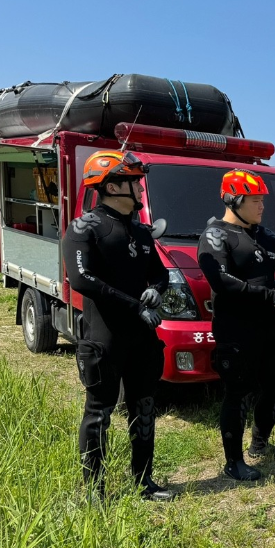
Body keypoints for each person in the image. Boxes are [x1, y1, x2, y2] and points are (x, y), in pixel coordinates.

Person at [62, 150, 173, 501]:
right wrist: (134, 305)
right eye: (134, 182)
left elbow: (159, 272)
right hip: (104, 339)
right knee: (99, 414)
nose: (141, 188)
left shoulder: (139, 231)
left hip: (142, 339)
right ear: (112, 186)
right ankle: (95, 492)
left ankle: (144, 482)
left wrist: (155, 291)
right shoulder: (84, 228)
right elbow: (82, 279)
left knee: (144, 409)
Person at [197, 169, 275, 482]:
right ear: (235, 199)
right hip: (236, 327)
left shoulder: (265, 235)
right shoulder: (215, 235)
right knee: (239, 392)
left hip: (269, 327)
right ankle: (234, 462)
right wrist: (271, 296)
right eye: (255, 200)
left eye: (262, 200)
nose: (261, 206)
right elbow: (222, 280)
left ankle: (260, 444)